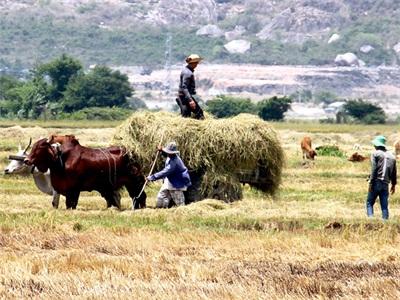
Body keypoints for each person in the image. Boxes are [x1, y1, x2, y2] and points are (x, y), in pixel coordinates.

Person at [147, 142, 192, 208]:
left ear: (173, 153)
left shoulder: (174, 163)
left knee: (179, 202)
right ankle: (160, 209)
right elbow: (166, 155)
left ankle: (183, 213)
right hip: (169, 180)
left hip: (177, 182)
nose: (168, 154)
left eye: (170, 153)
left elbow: (164, 172)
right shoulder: (171, 156)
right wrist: (161, 150)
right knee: (161, 195)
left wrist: (151, 177)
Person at [366, 135, 397, 220]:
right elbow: (394, 172)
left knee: (369, 203)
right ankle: (385, 222)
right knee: (384, 205)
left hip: (376, 181)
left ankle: (371, 220)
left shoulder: (375, 154)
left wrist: (371, 183)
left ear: (376, 145)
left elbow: (374, 169)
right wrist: (393, 185)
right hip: (386, 184)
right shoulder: (392, 156)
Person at [176, 54, 205, 120]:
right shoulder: (188, 73)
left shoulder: (186, 70)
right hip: (184, 97)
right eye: (197, 63)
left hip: (184, 96)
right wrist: (191, 100)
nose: (197, 64)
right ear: (194, 63)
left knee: (187, 115)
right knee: (198, 114)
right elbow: (184, 87)